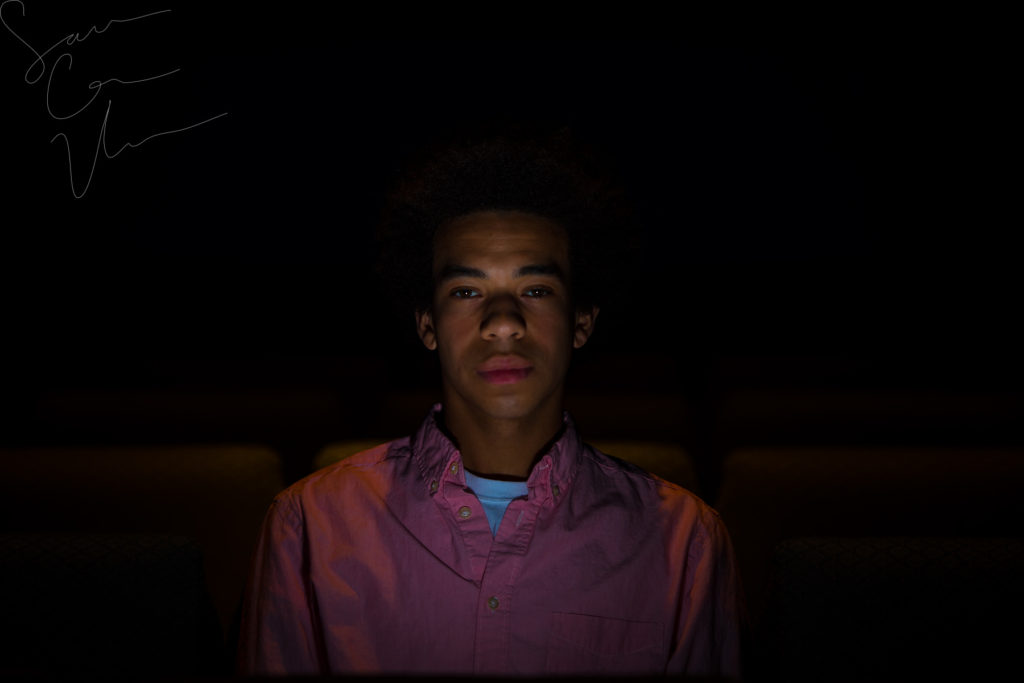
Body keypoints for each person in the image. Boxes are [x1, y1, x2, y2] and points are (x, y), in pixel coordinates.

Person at [237, 133, 742, 677]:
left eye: (536, 290)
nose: (503, 322)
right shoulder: (308, 524)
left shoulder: (685, 541)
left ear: (582, 322)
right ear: (427, 325)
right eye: (466, 292)